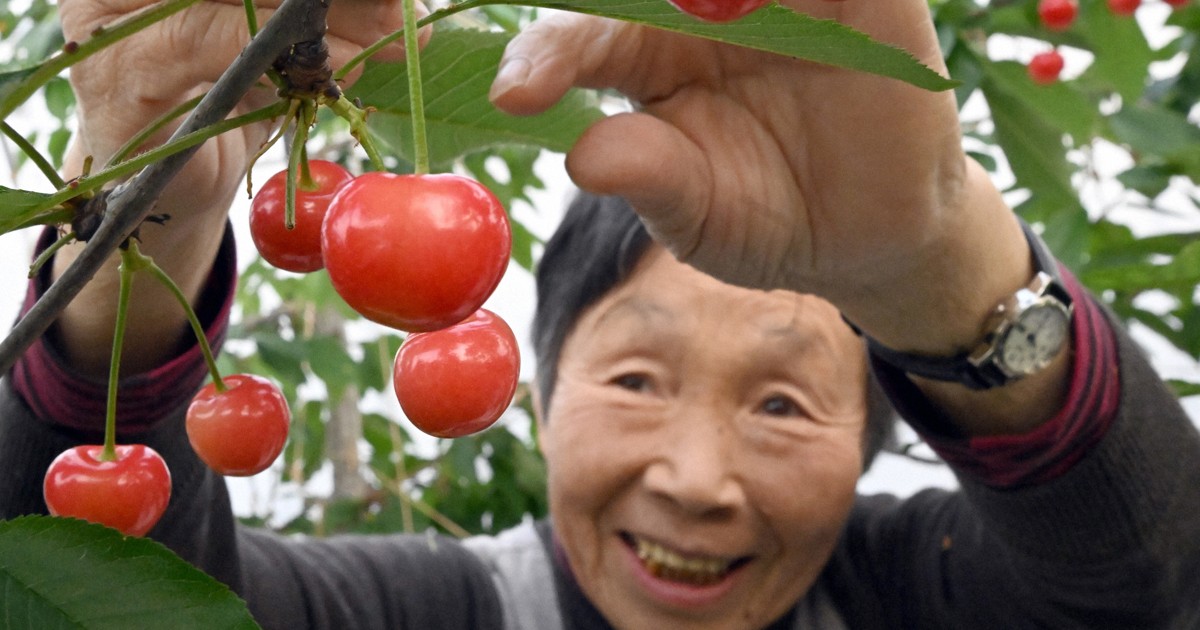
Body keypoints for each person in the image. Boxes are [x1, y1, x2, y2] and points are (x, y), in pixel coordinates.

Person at [1, 0, 1198, 627]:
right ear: (542, 387)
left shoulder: (914, 594)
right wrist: (144, 221)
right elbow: (120, 601)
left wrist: (933, 262)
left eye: (784, 403)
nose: (696, 480)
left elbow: (1150, 584)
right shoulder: (436, 613)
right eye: (635, 379)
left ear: (875, 436)